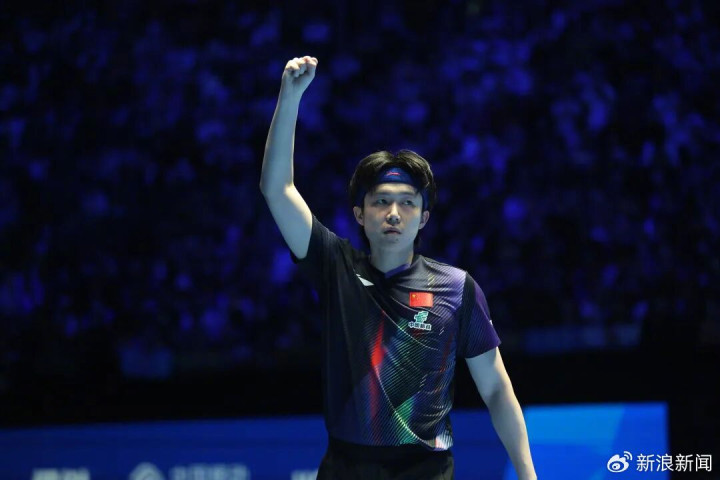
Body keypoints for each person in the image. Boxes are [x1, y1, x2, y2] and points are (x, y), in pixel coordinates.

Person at [260, 55, 537, 480]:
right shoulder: (335, 267)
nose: (393, 213)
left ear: (423, 218)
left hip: (425, 470)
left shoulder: (456, 288)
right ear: (360, 214)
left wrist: (528, 474)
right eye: (381, 201)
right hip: (346, 469)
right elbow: (277, 189)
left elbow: (497, 389)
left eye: (407, 203)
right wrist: (290, 96)